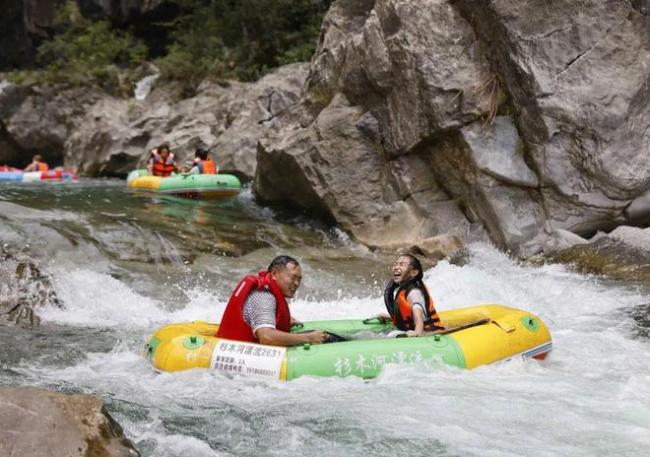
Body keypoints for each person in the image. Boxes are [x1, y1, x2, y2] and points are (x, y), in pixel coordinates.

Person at [217, 255, 328, 346]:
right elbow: (267, 338)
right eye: (293, 277)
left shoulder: (267, 292)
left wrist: (276, 319)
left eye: (299, 279)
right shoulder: (264, 297)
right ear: (274, 274)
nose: (297, 283)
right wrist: (308, 338)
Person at [380, 254, 444, 337]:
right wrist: (392, 318)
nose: (396, 267)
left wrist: (417, 332)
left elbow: (418, 312)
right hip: (409, 328)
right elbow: (408, 313)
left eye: (402, 264)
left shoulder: (414, 291)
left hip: (430, 332)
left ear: (414, 272)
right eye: (395, 264)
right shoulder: (404, 288)